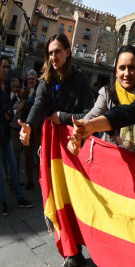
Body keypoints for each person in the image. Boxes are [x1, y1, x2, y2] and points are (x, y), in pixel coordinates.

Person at [18, 33, 93, 267]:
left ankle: (86, 244)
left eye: (57, 51)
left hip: (76, 147)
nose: (53, 57)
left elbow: (89, 115)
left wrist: (63, 117)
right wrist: (28, 126)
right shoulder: (45, 81)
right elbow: (39, 105)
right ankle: (72, 251)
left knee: (78, 198)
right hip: (53, 148)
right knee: (57, 195)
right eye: (49, 53)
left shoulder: (80, 80)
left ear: (68, 52)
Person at [68, 46, 135, 161]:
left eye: (131, 67)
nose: (126, 73)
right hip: (110, 159)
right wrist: (79, 137)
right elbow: (94, 115)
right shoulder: (107, 93)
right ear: (116, 71)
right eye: (122, 68)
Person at [0, 57, 33, 216]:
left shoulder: (6, 88)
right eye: (3, 67)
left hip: (5, 134)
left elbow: (7, 112)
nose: (6, 70)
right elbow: (5, 113)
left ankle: (19, 198)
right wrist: (15, 110)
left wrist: (12, 111)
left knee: (13, 168)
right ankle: (3, 203)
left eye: (7, 67)